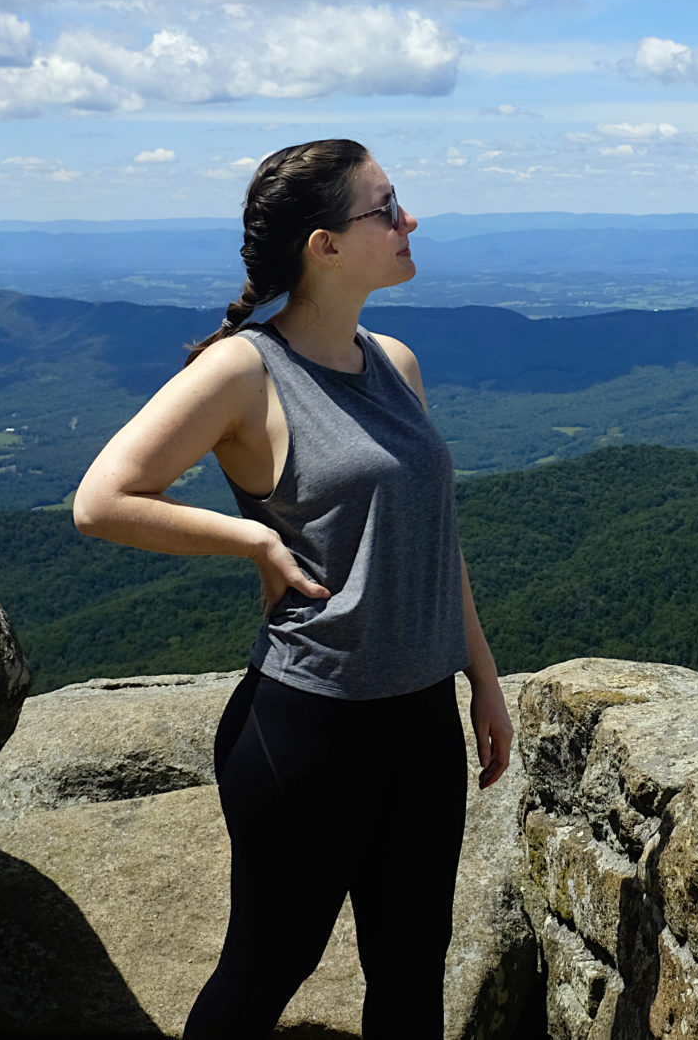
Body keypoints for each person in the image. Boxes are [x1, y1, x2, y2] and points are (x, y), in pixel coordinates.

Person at [73, 138, 515, 1039]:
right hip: (311, 726)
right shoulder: (245, 370)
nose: (409, 219)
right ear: (326, 244)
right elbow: (102, 498)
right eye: (385, 206)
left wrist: (484, 680)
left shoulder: (396, 359)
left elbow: (435, 539)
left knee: (411, 967)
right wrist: (250, 540)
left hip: (422, 719)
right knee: (270, 963)